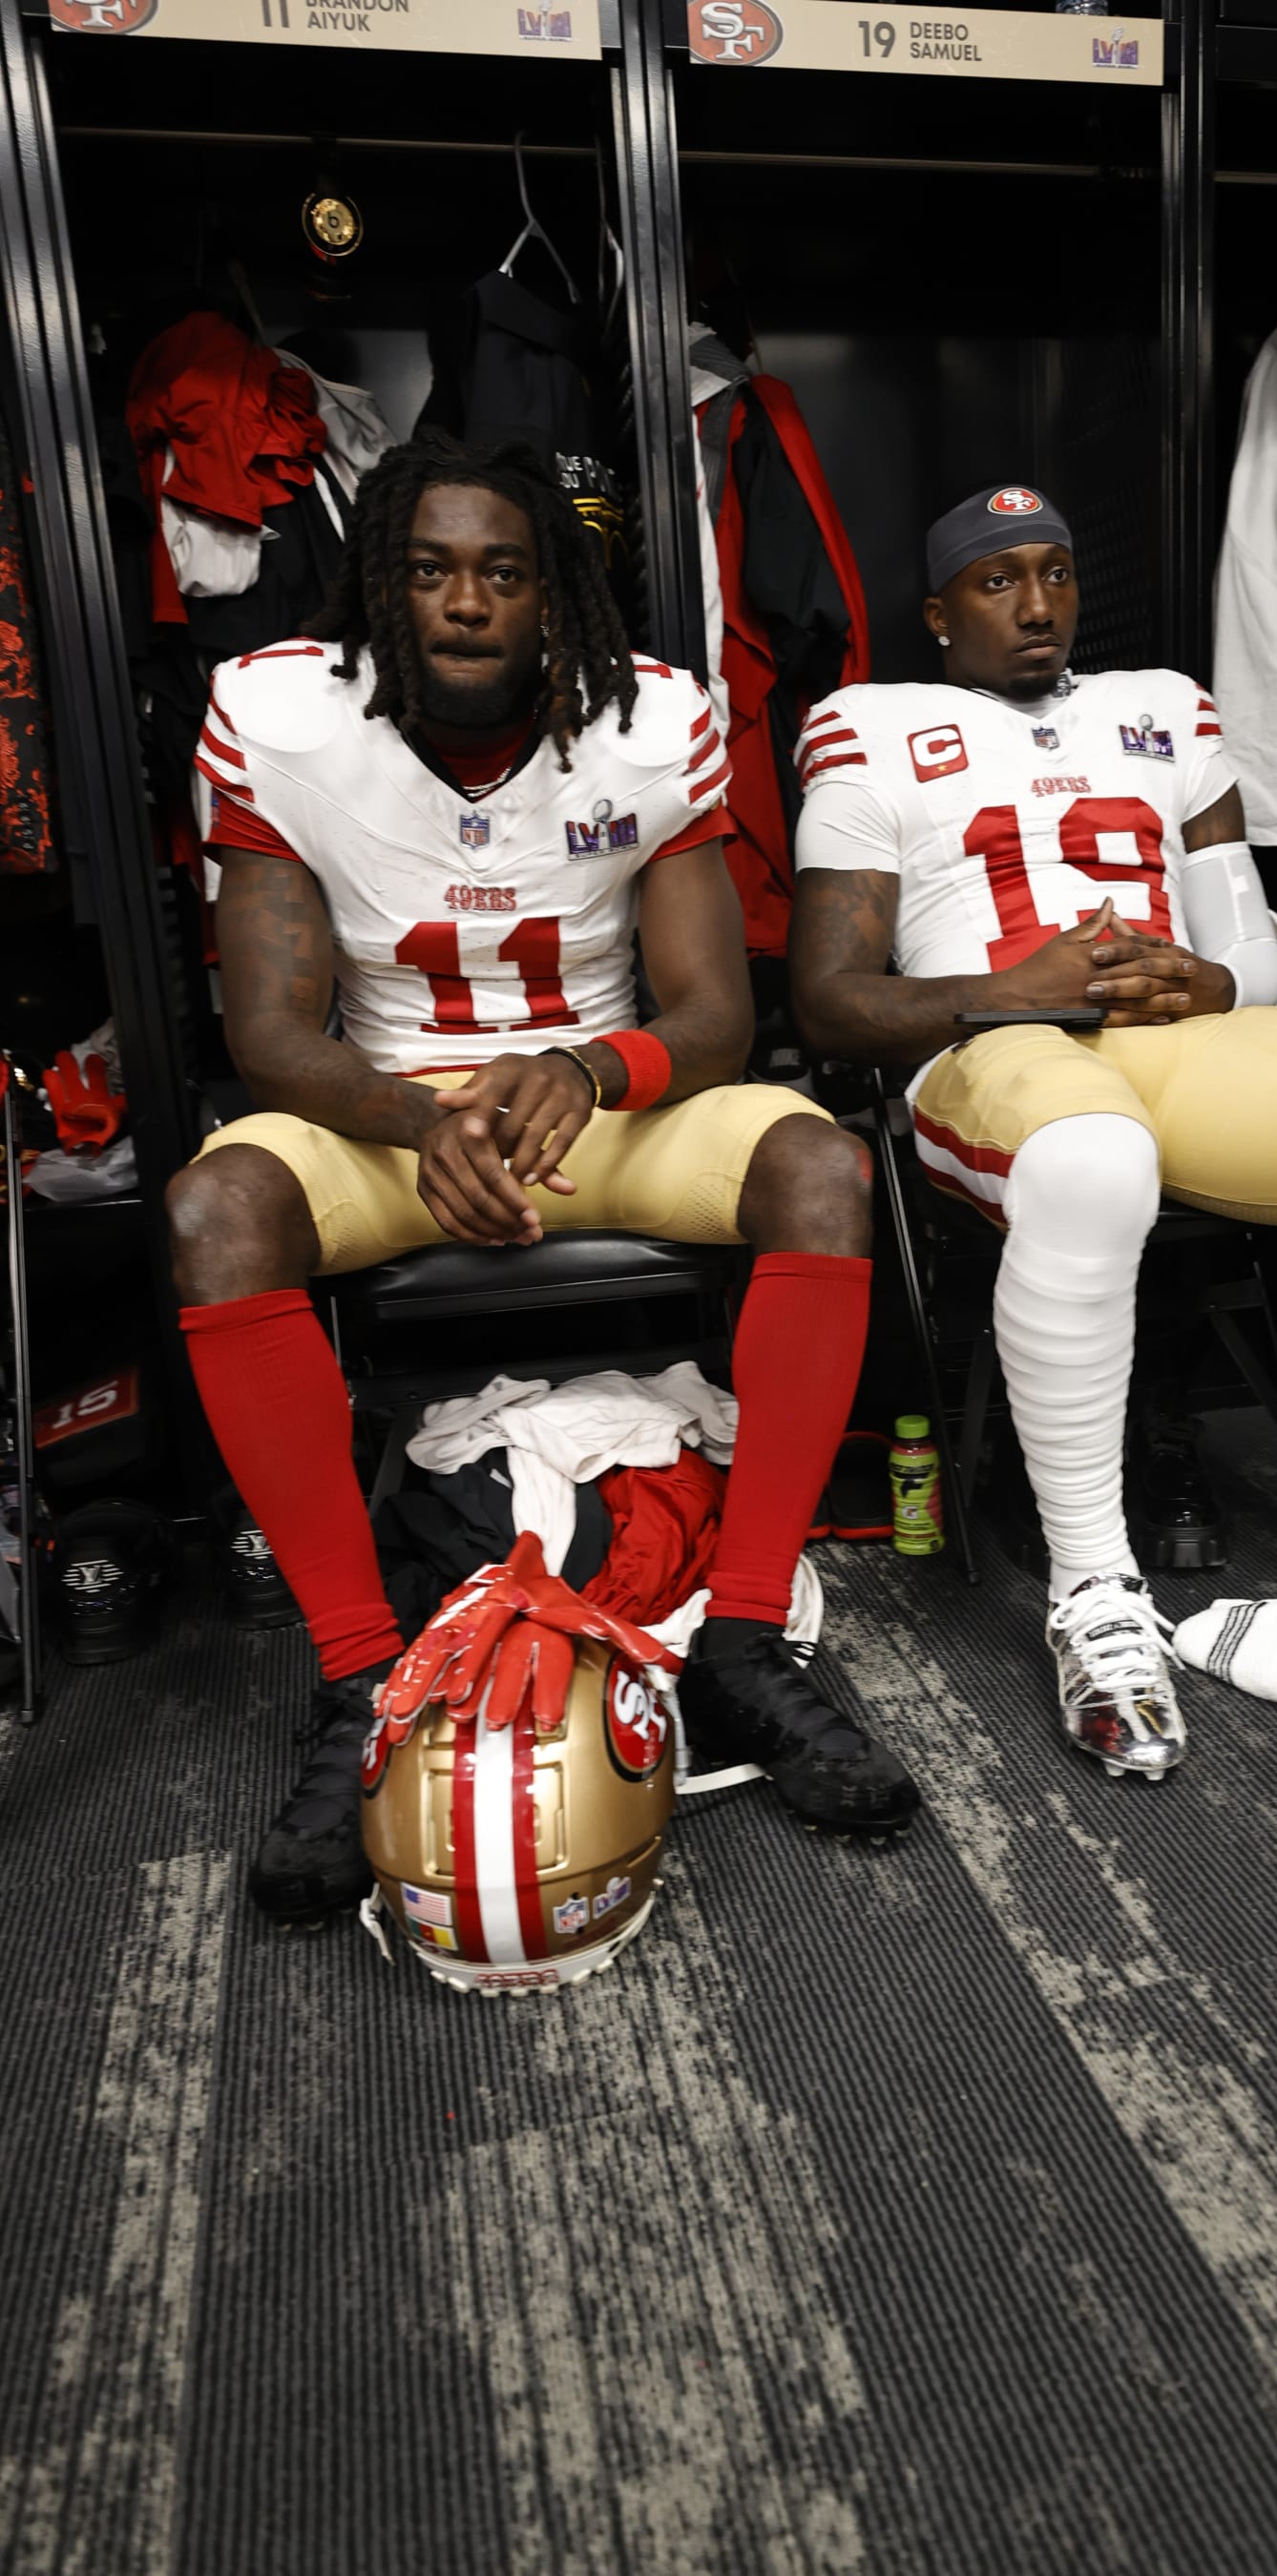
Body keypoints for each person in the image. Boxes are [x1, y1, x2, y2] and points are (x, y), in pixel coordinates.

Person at [168, 430, 918, 1923]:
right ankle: (359, 1677)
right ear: (383, 589)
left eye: (503, 573)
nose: (464, 603)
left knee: (821, 1170)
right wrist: (413, 1119)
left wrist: (585, 1071)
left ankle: (745, 1637)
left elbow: (713, 1016)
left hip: (592, 1102)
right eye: (431, 571)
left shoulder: (650, 724)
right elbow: (264, 1035)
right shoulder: (278, 715)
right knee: (218, 1208)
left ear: (554, 599)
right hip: (393, 1117)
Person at [789, 482, 1277, 1780]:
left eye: (1055, 573)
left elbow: (1243, 950)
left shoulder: (1160, 710)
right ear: (936, 614)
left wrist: (1215, 984)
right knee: (1094, 1157)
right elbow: (829, 1001)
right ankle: (1097, 1591)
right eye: (998, 582)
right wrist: (1011, 993)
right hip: (993, 1048)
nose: (1037, 604)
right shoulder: (872, 728)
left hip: (1184, 1041)